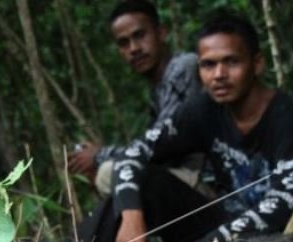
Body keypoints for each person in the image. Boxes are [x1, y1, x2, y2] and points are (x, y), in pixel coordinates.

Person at [81, 11, 293, 242]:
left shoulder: (289, 116)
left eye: (232, 62)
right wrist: (131, 214)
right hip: (215, 231)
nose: (219, 75)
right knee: (142, 184)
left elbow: (285, 201)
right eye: (208, 65)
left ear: (257, 64)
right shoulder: (204, 109)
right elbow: (133, 154)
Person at [68, 0, 203, 195]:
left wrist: (100, 155)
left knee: (111, 173)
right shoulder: (158, 90)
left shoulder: (183, 68)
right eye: (124, 43)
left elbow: (164, 143)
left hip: (209, 182)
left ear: (161, 32)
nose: (134, 49)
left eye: (140, 36)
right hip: (183, 181)